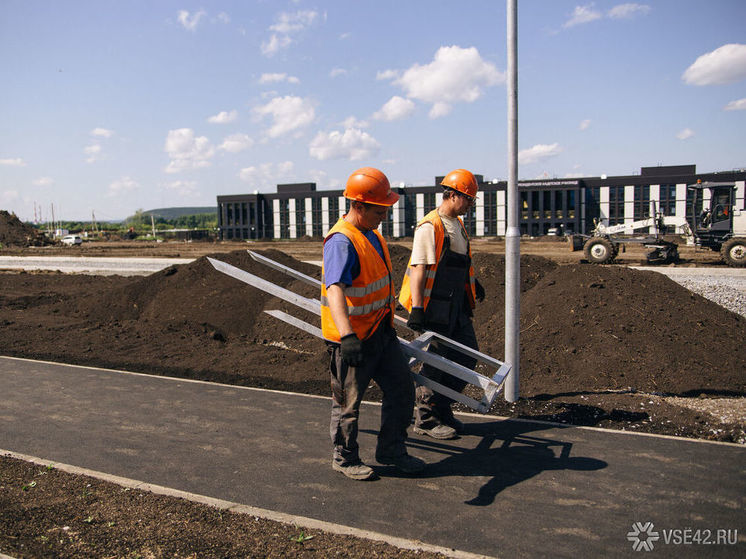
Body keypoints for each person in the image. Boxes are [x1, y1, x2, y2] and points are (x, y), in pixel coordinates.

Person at [321, 167, 426, 480]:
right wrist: (347, 336)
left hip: (380, 332)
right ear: (359, 205)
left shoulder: (372, 234)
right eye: (380, 209)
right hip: (354, 339)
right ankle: (344, 458)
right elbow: (335, 289)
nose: (385, 215)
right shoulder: (341, 242)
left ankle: (391, 449)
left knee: (402, 389)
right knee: (348, 402)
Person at [399, 169, 486, 440]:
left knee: (467, 356)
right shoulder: (430, 226)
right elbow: (419, 269)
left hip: (455, 307)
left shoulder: (457, 224)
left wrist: (474, 283)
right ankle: (426, 419)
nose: (471, 204)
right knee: (434, 363)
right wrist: (417, 309)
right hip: (433, 307)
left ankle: (443, 408)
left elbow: (460, 263)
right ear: (452, 195)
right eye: (468, 199)